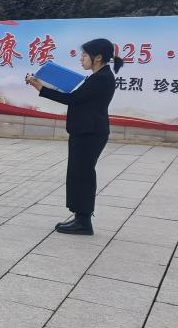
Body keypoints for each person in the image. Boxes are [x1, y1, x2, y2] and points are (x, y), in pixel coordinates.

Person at [27, 38, 123, 235]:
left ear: (98, 57)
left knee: (83, 175)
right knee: (78, 174)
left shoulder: (101, 78)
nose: (81, 59)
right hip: (85, 132)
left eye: (85, 55)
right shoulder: (99, 76)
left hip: (90, 133)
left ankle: (84, 222)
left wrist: (41, 88)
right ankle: (80, 217)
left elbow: (73, 99)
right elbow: (79, 99)